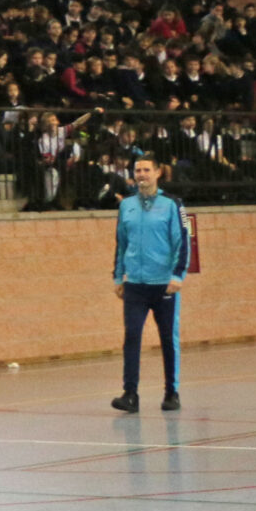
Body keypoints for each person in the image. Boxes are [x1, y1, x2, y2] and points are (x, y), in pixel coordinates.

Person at [110, 156, 189, 413]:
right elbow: (121, 242)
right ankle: (130, 393)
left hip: (164, 284)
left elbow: (183, 241)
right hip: (135, 284)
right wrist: (118, 276)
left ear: (157, 173)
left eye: (146, 170)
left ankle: (171, 392)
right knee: (132, 336)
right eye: (138, 170)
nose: (141, 174)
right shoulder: (126, 205)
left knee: (167, 338)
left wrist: (178, 275)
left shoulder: (173, 204)